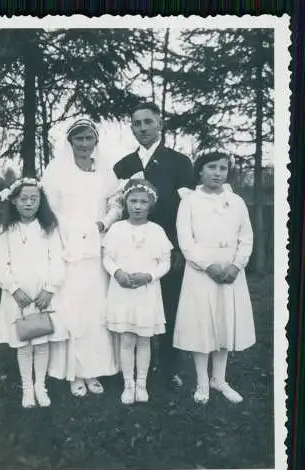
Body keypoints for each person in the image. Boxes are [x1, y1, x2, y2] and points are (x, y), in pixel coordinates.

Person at [113, 102, 193, 388]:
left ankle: (169, 368)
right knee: (134, 307)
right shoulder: (123, 165)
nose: (143, 128)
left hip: (167, 249)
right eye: (137, 123)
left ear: (159, 123)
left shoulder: (179, 162)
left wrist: (182, 249)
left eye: (148, 121)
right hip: (132, 250)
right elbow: (118, 209)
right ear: (132, 127)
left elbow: (188, 210)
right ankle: (130, 369)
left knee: (169, 307)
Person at [42, 118, 121, 397]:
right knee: (71, 307)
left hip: (96, 246)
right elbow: (49, 210)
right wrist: (71, 232)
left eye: (89, 139)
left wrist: (102, 224)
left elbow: (116, 202)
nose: (85, 144)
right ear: (71, 142)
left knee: (95, 308)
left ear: (95, 142)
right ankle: (74, 372)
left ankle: (94, 370)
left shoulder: (105, 172)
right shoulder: (55, 171)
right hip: (68, 245)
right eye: (79, 139)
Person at [173, 148, 256, 404]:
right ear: (200, 170)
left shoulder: (237, 201)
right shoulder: (189, 201)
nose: (217, 173)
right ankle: (201, 382)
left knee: (224, 324)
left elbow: (246, 237)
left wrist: (235, 266)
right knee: (202, 326)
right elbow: (185, 240)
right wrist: (207, 265)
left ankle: (218, 379)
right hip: (201, 273)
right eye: (211, 167)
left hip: (230, 274)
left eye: (222, 168)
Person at [0, 177, 68, 408]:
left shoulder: (48, 229)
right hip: (18, 297)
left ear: (40, 201)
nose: (28, 203)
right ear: (14, 201)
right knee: (24, 342)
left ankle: (40, 386)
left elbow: (57, 261)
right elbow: (0, 265)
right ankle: (27, 387)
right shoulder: (7, 229)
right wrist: (14, 289)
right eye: (23, 199)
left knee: (41, 341)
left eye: (33, 199)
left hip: (41, 296)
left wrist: (49, 289)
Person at [102, 179, 173, 404]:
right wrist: (118, 272)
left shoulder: (157, 230)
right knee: (126, 339)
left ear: (151, 204)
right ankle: (128, 384)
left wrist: (149, 276)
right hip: (122, 291)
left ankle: (142, 383)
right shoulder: (117, 229)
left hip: (146, 292)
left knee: (144, 340)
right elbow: (107, 257)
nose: (138, 206)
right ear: (126, 202)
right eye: (133, 201)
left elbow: (165, 262)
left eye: (143, 202)